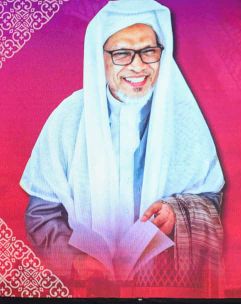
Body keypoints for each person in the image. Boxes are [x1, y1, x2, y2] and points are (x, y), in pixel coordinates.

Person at [20, 0, 224, 287]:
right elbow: (41, 214)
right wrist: (75, 263)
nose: (138, 65)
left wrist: (176, 213)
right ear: (99, 57)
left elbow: (210, 199)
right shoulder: (69, 117)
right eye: (122, 53)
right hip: (88, 291)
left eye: (149, 51)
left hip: (165, 289)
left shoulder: (184, 118)